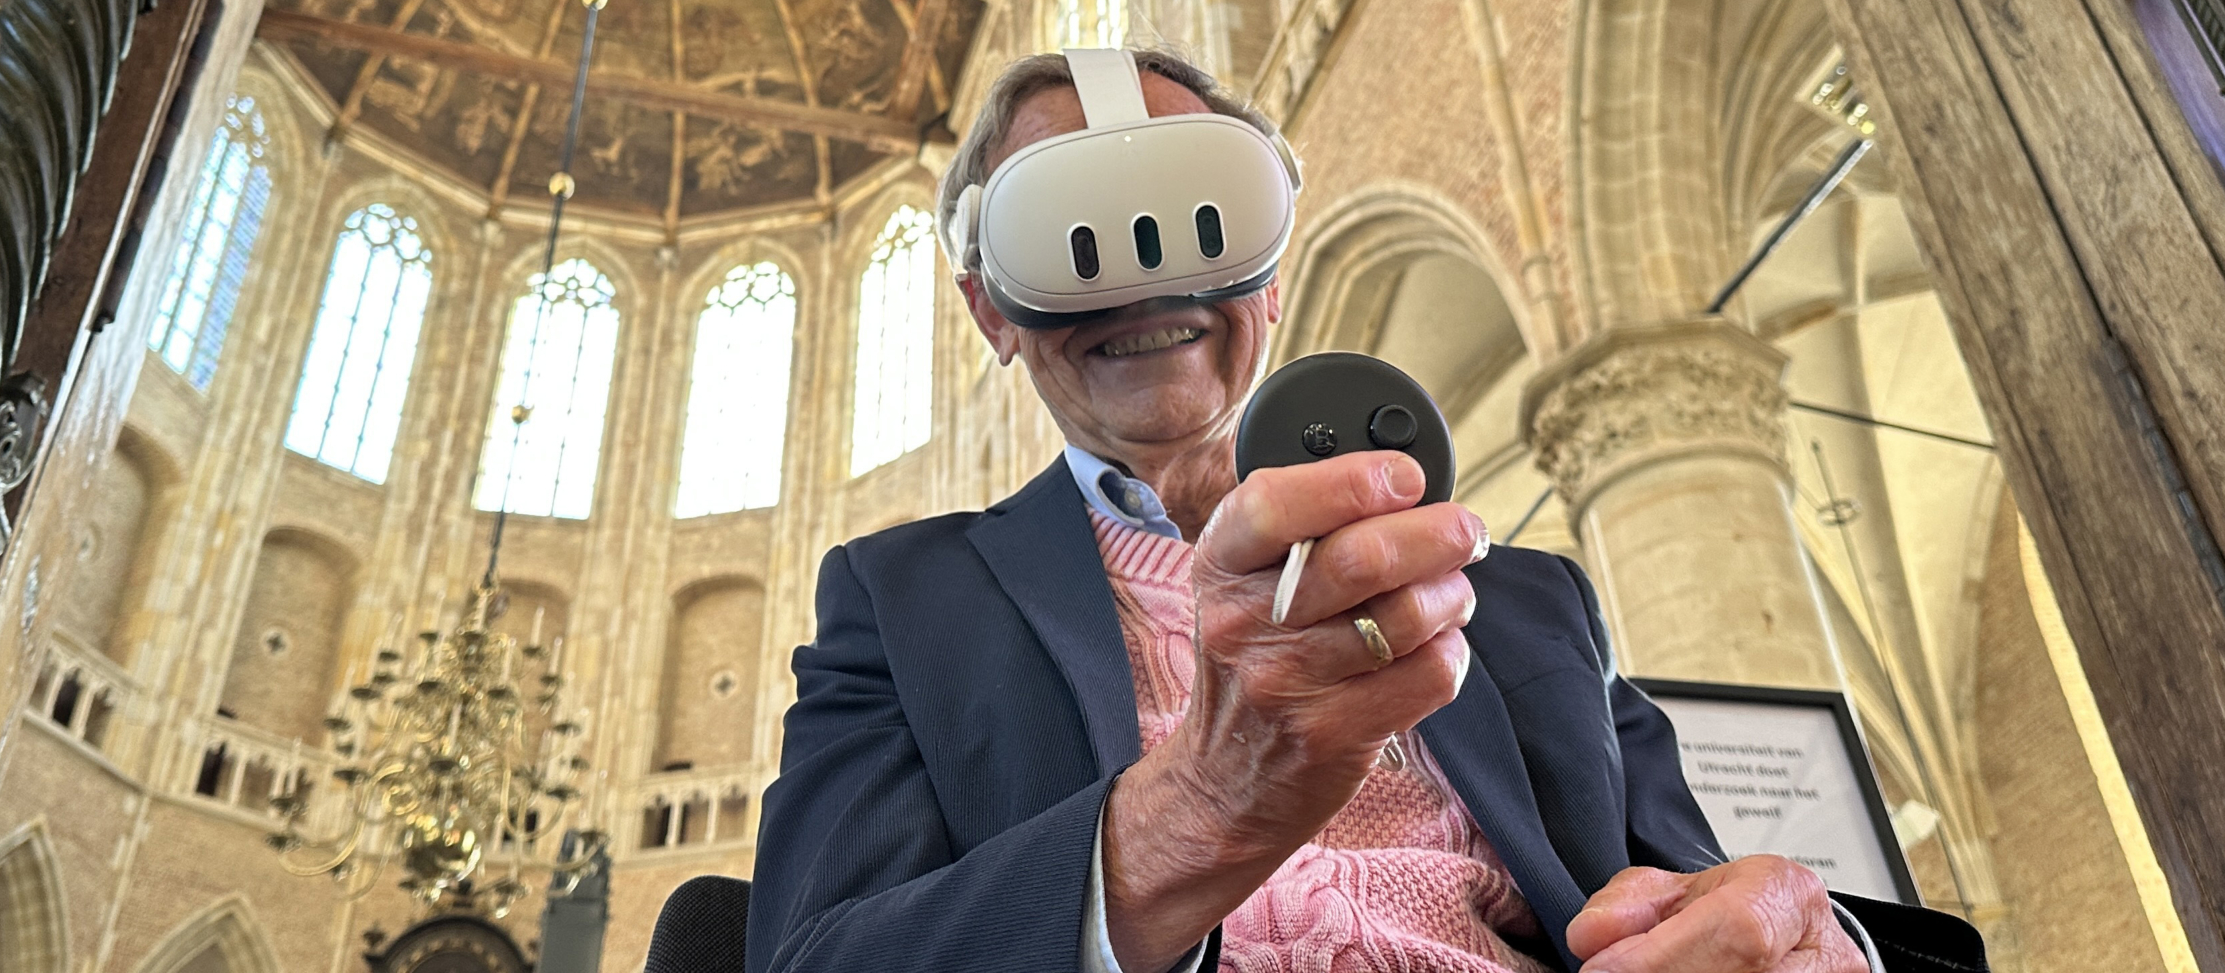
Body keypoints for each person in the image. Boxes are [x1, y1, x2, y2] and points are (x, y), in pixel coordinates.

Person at [747, 50, 1984, 973]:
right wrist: (1193, 815)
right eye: (1065, 238)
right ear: (991, 315)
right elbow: (816, 958)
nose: (1147, 276)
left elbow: (1698, 891)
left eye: (1198, 220)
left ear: (1269, 284)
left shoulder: (1523, 602)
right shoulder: (903, 602)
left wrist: (1811, 947)